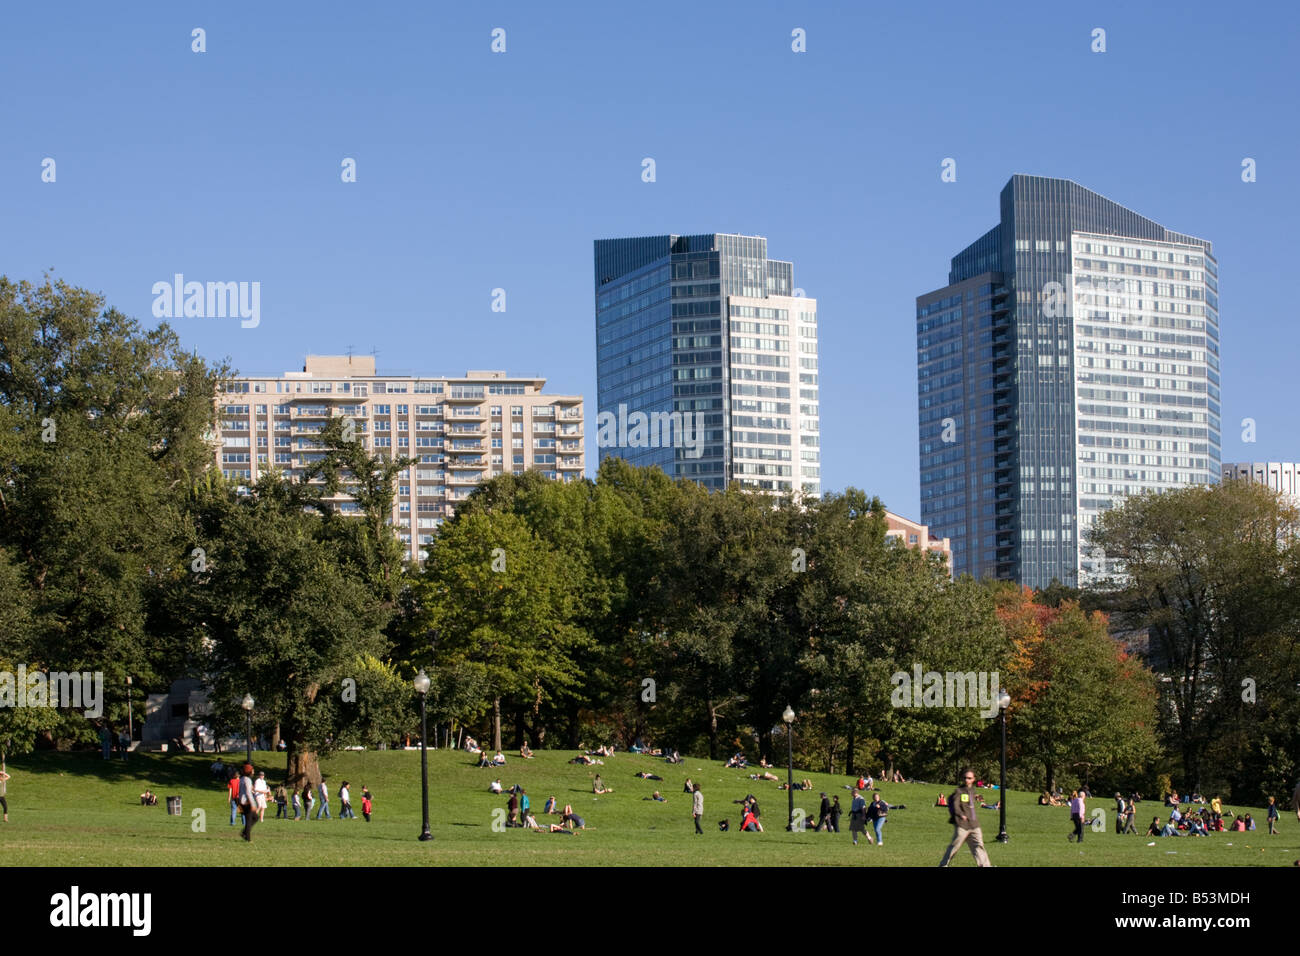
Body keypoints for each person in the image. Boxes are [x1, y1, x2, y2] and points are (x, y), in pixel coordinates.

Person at [939, 768, 992, 867]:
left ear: (973, 779)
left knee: (979, 846)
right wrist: (960, 814)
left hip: (974, 825)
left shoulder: (972, 790)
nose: (967, 780)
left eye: (969, 778)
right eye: (965, 778)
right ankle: (943, 865)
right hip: (962, 825)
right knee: (954, 847)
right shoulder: (959, 791)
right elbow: (955, 805)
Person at [238, 763, 258, 842]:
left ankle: (244, 833)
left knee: (255, 818)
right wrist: (253, 804)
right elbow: (248, 793)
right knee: (249, 820)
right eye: (252, 770)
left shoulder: (242, 779)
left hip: (242, 802)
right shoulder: (248, 780)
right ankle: (247, 838)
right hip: (247, 802)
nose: (253, 771)